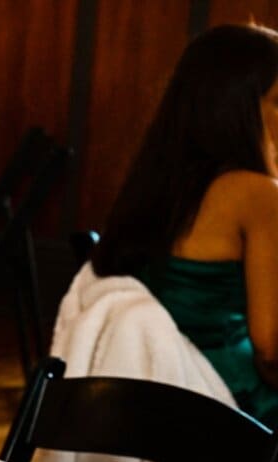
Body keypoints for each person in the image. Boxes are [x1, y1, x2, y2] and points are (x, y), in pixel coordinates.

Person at [94, 22, 278, 427]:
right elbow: (270, 350)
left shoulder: (160, 181)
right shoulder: (258, 194)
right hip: (230, 404)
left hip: (155, 396)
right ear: (242, 107)